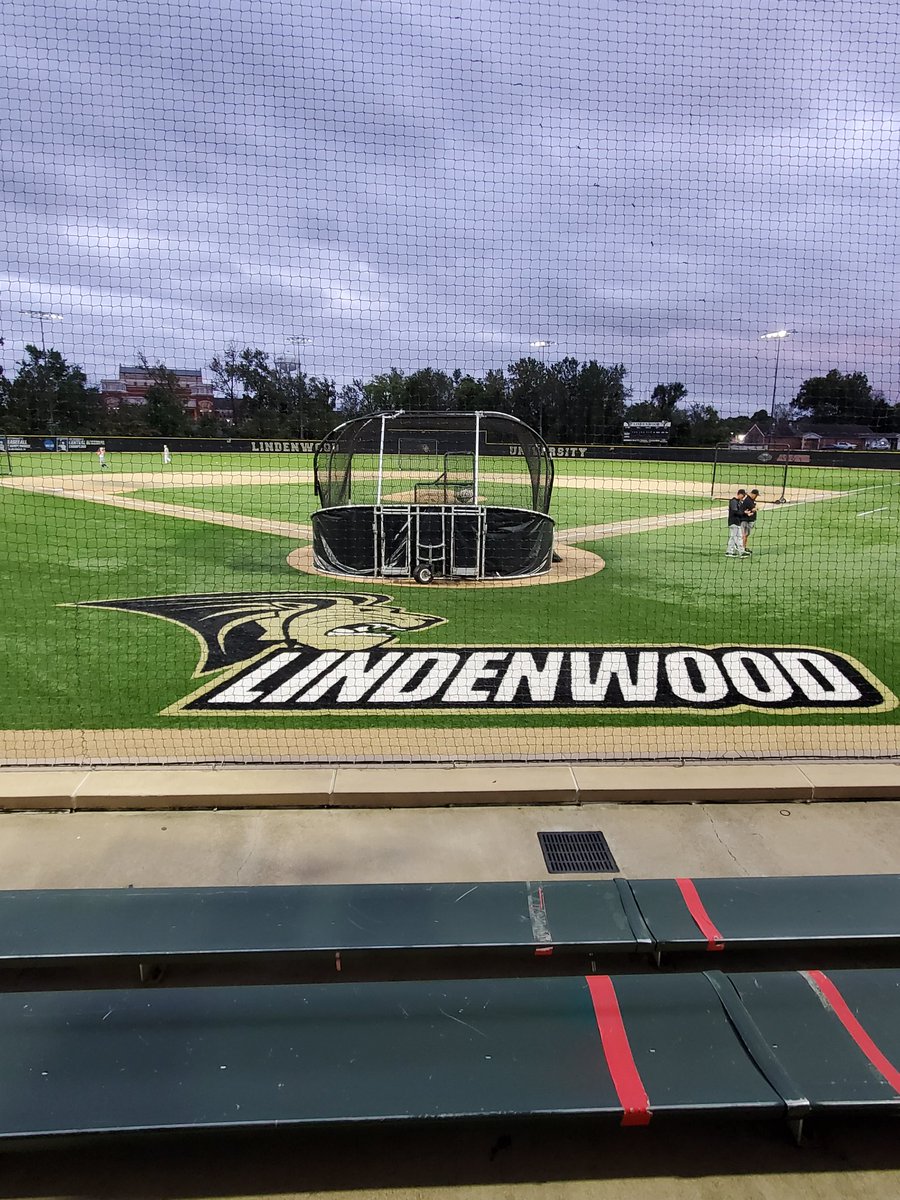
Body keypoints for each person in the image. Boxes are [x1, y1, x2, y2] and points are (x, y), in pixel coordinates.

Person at [726, 488, 747, 557]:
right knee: (735, 537)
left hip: (737, 522)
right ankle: (740, 551)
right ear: (739, 494)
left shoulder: (739, 502)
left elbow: (740, 512)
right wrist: (743, 512)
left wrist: (745, 513)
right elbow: (735, 511)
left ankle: (730, 551)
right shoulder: (733, 501)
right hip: (733, 522)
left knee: (735, 537)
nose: (743, 497)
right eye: (743, 495)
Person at [740, 488, 760, 554]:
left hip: (749, 520)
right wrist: (757, 508)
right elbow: (754, 509)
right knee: (744, 535)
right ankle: (742, 548)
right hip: (746, 520)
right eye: (756, 495)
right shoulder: (748, 500)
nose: (756, 496)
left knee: (746, 535)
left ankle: (744, 547)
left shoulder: (751, 500)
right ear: (752, 494)